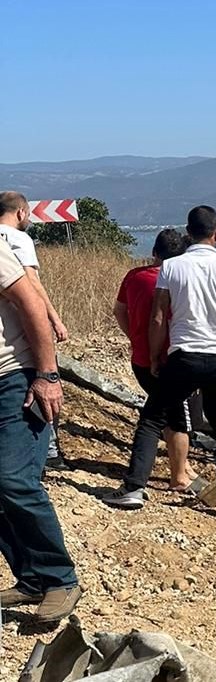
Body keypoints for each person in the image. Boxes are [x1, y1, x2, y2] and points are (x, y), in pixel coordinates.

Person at [104, 206, 216, 517]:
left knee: (152, 420)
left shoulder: (171, 268)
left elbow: (159, 317)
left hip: (183, 357)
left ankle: (134, 488)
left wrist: (155, 355)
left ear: (189, 234)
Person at [0, 237, 80, 621]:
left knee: (13, 479)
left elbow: (31, 301)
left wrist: (48, 375)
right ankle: (32, 579)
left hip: (15, 377)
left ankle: (59, 579)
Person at [113, 229, 198, 491]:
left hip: (140, 360)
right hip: (171, 361)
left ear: (154, 253)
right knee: (176, 417)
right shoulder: (182, 281)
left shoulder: (134, 277)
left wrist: (136, 338)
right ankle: (179, 476)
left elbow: (119, 311)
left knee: (165, 411)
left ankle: (183, 468)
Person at [0, 192, 69, 473]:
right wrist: (54, 317)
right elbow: (31, 285)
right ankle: (50, 452)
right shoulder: (19, 239)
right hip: (20, 345)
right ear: (21, 213)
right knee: (39, 397)